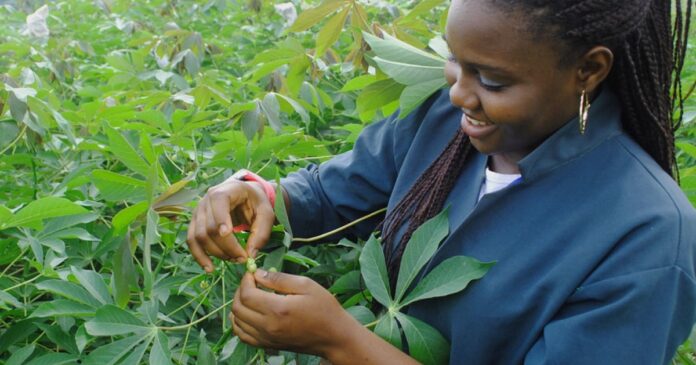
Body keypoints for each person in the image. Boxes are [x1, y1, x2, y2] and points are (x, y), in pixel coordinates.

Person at [186, 0, 696, 363]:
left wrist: (340, 341)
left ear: (588, 69)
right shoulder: (446, 119)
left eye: (492, 82)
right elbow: (329, 194)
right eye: (455, 60)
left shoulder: (649, 235)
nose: (458, 95)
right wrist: (257, 196)